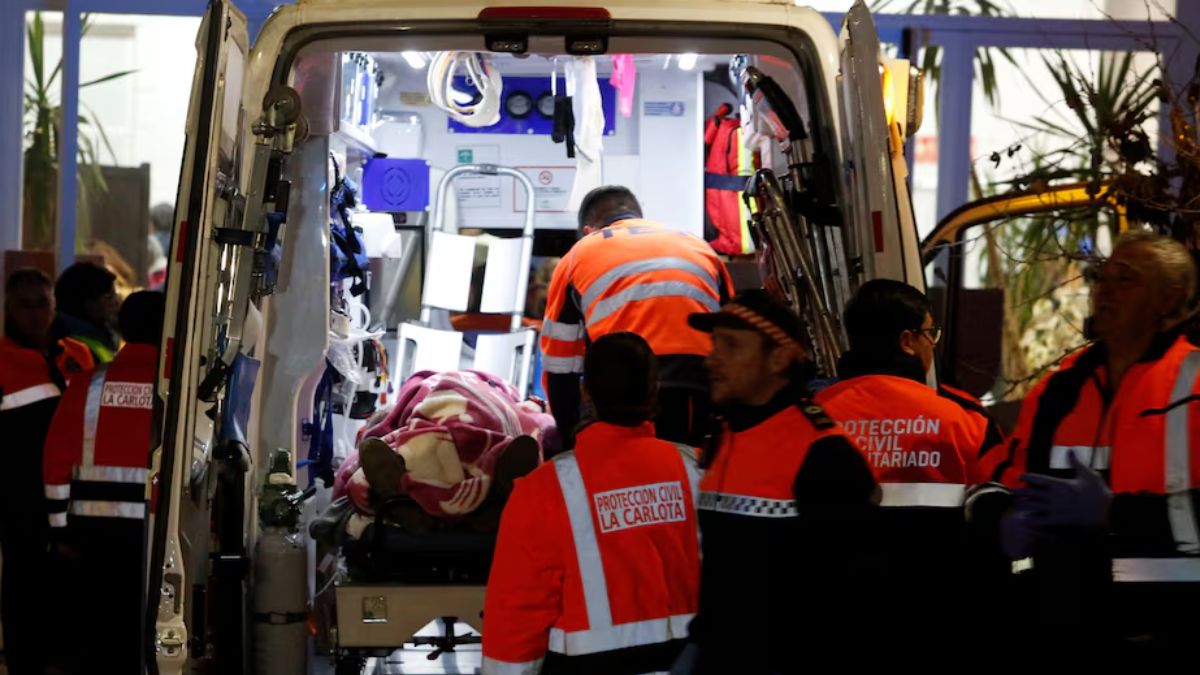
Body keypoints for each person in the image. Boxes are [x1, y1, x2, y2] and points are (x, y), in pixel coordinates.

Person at [991, 231, 1200, 655]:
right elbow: (999, 478)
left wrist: (1114, 512)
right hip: (1064, 628)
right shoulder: (1058, 390)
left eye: (1126, 278)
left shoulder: (1196, 384)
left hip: (1174, 626)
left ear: (1169, 298)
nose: (1104, 290)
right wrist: (1000, 520)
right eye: (1101, 277)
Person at [681, 290, 880, 673]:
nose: (712, 359)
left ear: (777, 358)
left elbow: (853, 592)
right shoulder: (725, 436)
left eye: (731, 345)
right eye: (714, 343)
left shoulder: (823, 453)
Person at [482, 332, 702, 675]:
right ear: (654, 389)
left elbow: (518, 612)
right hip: (689, 660)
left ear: (586, 392)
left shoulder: (545, 488)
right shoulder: (695, 470)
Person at [812, 279, 1011, 652]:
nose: (932, 344)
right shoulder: (964, 420)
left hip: (831, 626)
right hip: (938, 624)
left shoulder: (810, 418)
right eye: (929, 333)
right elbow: (1001, 526)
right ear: (907, 340)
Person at [541, 186, 734, 451]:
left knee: (635, 467)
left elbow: (560, 366)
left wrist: (568, 436)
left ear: (587, 231)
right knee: (691, 468)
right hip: (701, 383)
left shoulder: (578, 254)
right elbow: (733, 330)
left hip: (627, 392)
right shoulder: (697, 245)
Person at [43, 290, 164, 672]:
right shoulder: (175, 390)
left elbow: (55, 462)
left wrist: (59, 530)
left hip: (93, 535)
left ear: (122, 328)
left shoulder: (88, 383)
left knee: (100, 638)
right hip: (158, 530)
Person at [0, 268, 68, 675]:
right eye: (25, 305)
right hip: (17, 499)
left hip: (62, 499)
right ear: (8, 309)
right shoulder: (3, 361)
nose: (35, 313)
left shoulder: (68, 357)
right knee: (21, 588)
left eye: (42, 303)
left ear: (54, 306)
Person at [53, 260, 121, 364]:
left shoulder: (98, 337)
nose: (116, 303)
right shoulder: (70, 348)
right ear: (87, 302)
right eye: (109, 297)